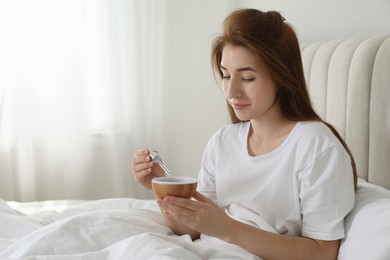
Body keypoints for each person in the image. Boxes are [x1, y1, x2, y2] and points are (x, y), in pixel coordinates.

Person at [131, 8, 357, 260]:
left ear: (282, 77)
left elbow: (323, 252)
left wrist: (229, 229)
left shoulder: (315, 145)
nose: (231, 92)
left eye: (247, 78)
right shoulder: (222, 141)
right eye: (226, 75)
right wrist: (163, 188)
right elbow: (193, 229)